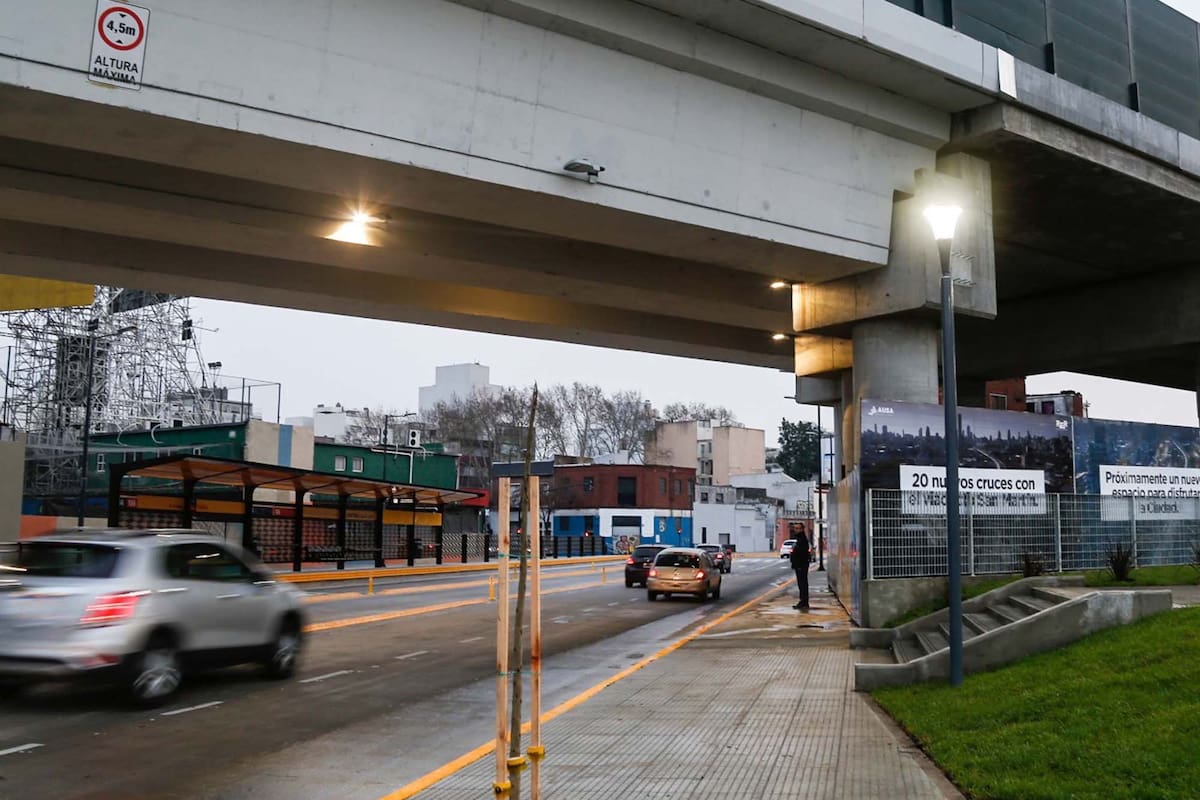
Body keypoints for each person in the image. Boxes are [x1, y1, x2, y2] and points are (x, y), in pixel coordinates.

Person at [789, 532, 812, 610]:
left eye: (798, 528)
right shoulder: (799, 540)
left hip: (801, 565)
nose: (796, 530)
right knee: (801, 584)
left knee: (802, 584)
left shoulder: (802, 541)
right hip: (800, 565)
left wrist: (798, 564)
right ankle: (803, 601)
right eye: (795, 528)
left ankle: (804, 602)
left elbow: (802, 553)